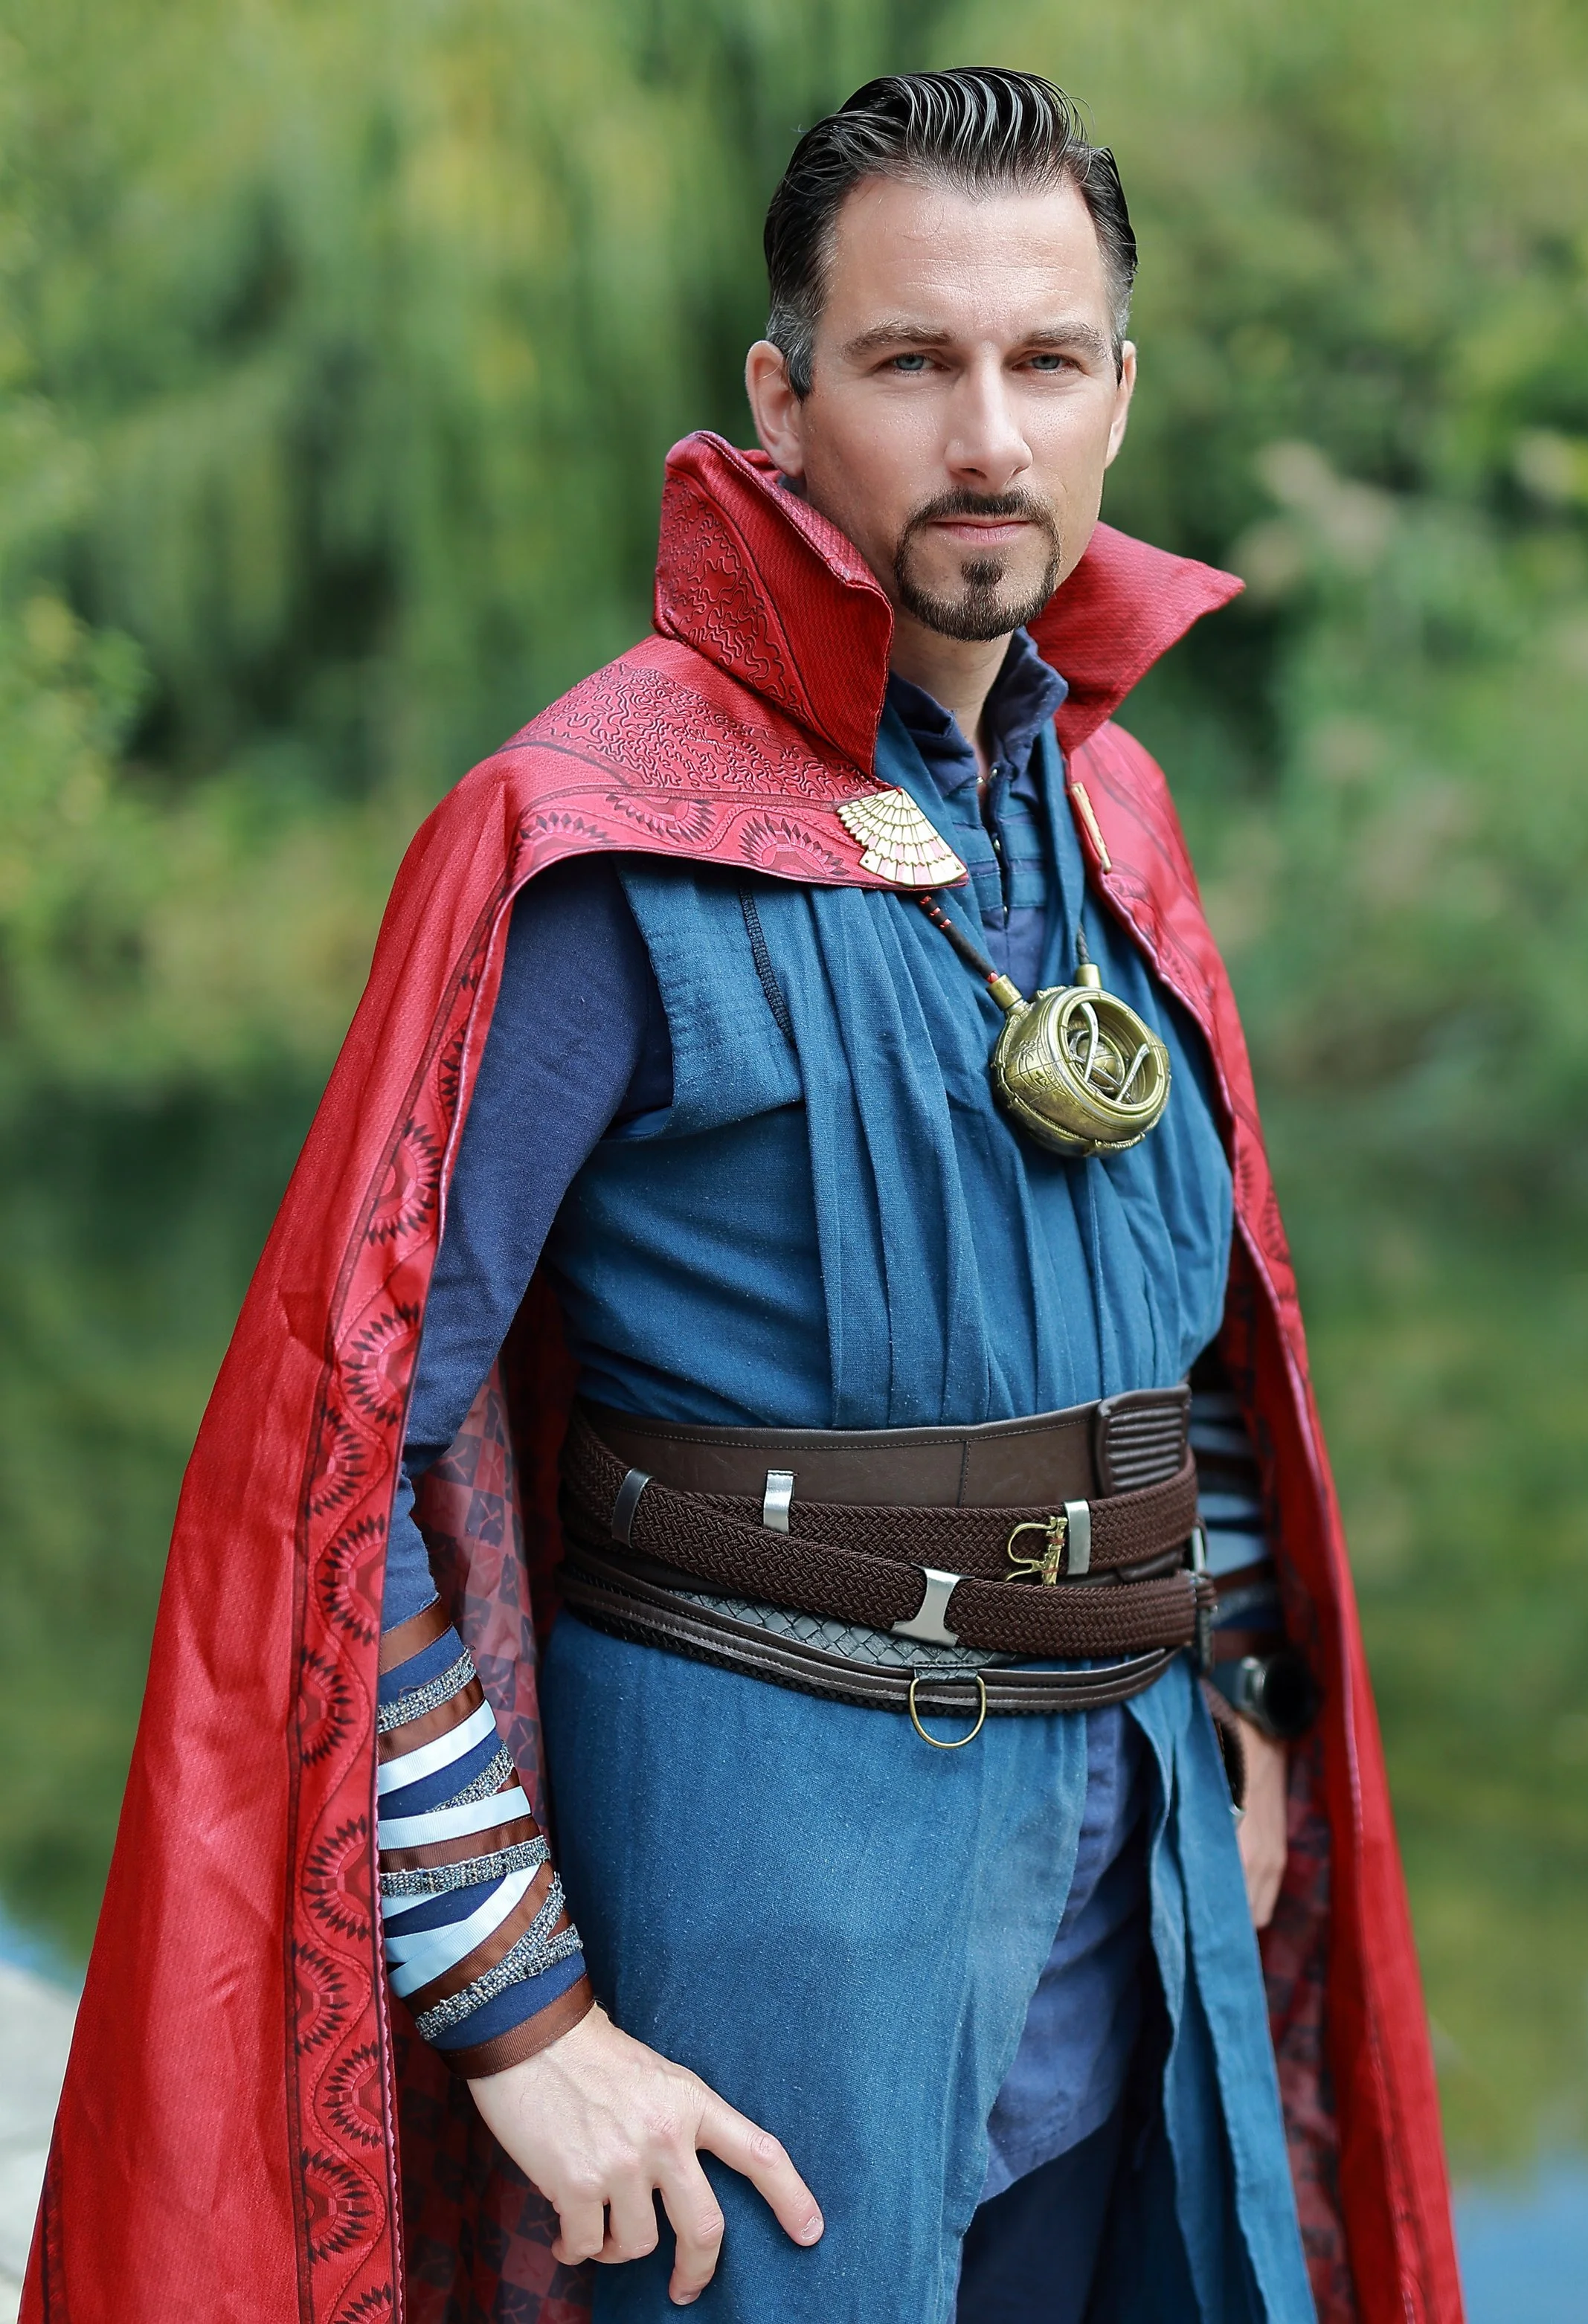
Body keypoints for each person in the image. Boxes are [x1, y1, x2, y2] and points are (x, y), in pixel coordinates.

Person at [28, 68, 1459, 2324]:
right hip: (767, 1918)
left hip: (1145, 1874)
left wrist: (1253, 1680)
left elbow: (1200, 1335)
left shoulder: (1116, 816)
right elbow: (340, 1463)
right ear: (783, 404)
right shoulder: (585, 844)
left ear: (1118, 393)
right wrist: (519, 2006)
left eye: (1044, 361)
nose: (985, 437)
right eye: (909, 362)